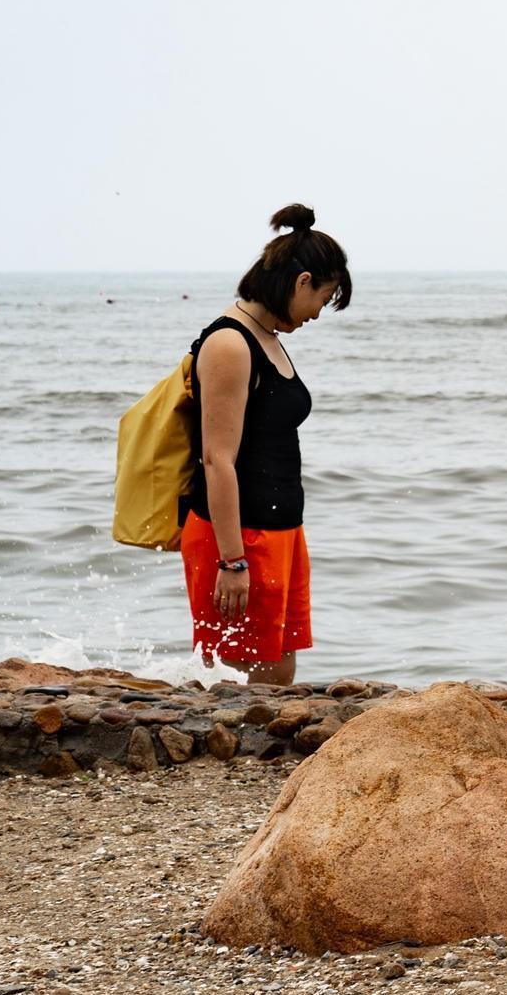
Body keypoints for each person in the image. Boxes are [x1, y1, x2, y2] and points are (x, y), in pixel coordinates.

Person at [179, 204, 352, 684]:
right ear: (302, 282)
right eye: (324, 297)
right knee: (239, 682)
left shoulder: (268, 336)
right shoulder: (230, 344)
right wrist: (231, 560)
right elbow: (217, 458)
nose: (319, 312)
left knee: (279, 675)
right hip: (239, 537)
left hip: (281, 531)